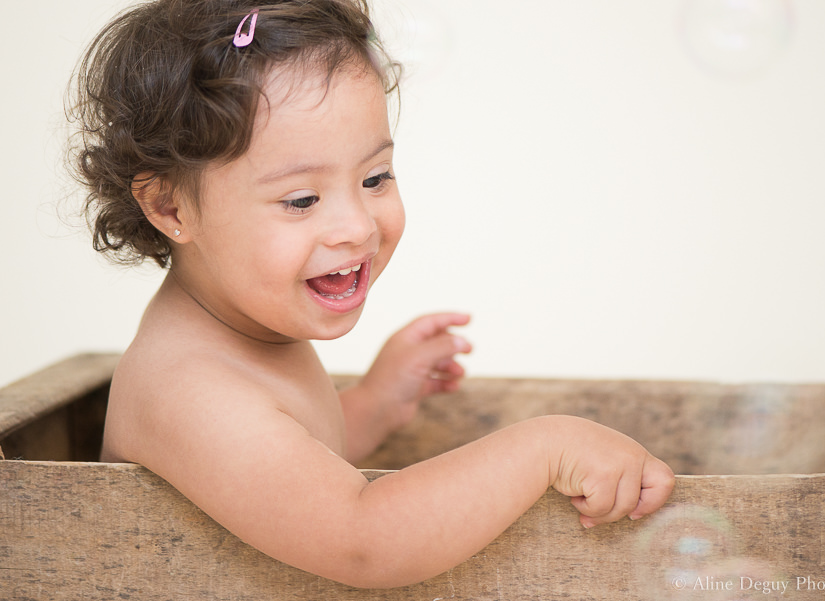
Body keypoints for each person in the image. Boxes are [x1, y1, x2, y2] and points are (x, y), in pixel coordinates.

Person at [68, 0, 675, 588]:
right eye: (302, 200)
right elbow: (361, 537)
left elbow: (297, 470)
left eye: (375, 177)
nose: (357, 225)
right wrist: (545, 446)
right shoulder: (187, 389)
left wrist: (376, 403)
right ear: (170, 206)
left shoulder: (243, 331)